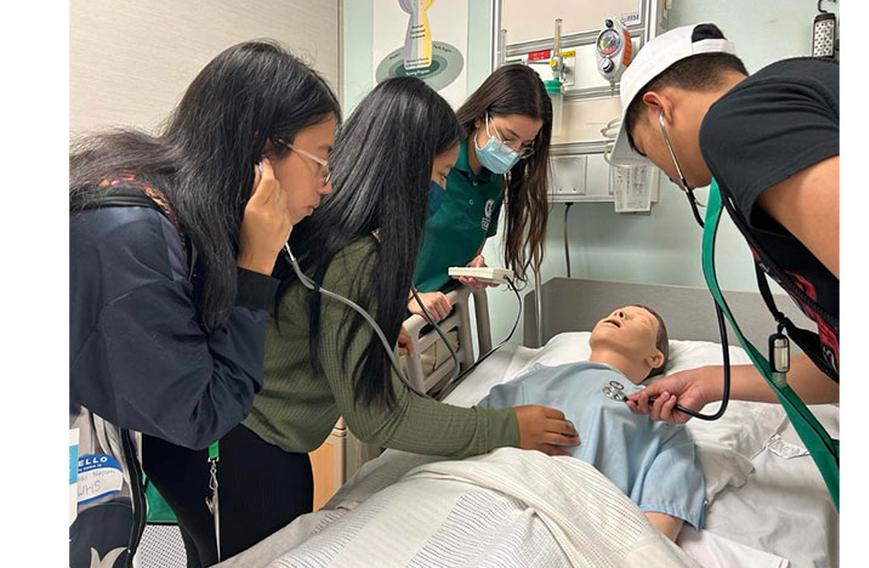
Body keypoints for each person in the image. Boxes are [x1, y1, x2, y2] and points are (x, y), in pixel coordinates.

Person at [142, 76, 580, 567]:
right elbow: (382, 414)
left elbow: (304, 315)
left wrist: (371, 326)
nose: (439, 192)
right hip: (235, 449)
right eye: (437, 177)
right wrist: (504, 428)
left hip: (200, 443)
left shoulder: (324, 221)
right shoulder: (355, 255)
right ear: (403, 170)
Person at [69, 40, 340, 568]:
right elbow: (203, 413)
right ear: (264, 154)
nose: (326, 186)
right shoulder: (133, 236)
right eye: (322, 159)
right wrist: (255, 262)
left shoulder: (171, 203)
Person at [605, 23, 839, 424]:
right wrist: (711, 381)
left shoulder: (734, 121)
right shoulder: (792, 94)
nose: (661, 170)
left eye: (646, 150)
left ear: (659, 108)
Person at [479, 305, 705, 542]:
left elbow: (661, 518)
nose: (619, 314)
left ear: (655, 357)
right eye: (615, 311)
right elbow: (472, 430)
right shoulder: (535, 377)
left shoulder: (662, 417)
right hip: (491, 494)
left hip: (570, 524)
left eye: (639, 320)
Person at [408, 63, 553, 322]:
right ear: (480, 117)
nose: (513, 152)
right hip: (399, 315)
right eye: (508, 138)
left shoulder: (494, 185)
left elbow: (469, 250)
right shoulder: (434, 160)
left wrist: (475, 268)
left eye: (524, 146)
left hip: (444, 317)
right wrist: (410, 296)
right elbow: (372, 245)